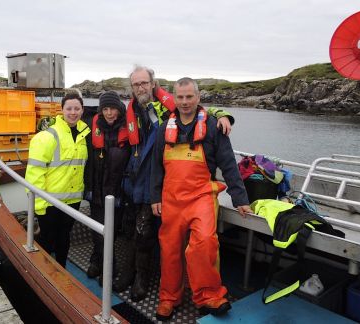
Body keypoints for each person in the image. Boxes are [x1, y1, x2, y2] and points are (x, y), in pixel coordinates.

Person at [114, 65, 235, 301]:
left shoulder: (165, 108)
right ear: (132, 87)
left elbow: (195, 108)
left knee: (165, 238)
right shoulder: (129, 110)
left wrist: (222, 114)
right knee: (135, 232)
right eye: (136, 84)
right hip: (140, 182)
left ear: (153, 84)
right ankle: (137, 279)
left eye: (144, 83)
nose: (140, 87)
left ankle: (151, 283)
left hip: (171, 187)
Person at [150, 77, 253, 321]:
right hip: (171, 198)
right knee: (170, 249)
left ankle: (209, 296)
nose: (185, 102)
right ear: (174, 98)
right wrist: (155, 196)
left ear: (198, 97)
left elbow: (228, 163)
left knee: (205, 244)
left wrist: (240, 198)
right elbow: (155, 166)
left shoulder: (214, 126)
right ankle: (169, 297)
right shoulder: (165, 128)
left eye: (189, 97)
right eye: (180, 97)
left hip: (202, 197)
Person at [25, 90, 91, 268]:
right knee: (48, 241)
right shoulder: (47, 137)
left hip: (73, 201)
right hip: (50, 203)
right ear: (61, 110)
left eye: (77, 108)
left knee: (64, 238)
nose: (73, 112)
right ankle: (45, 274)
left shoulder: (85, 135)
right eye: (69, 108)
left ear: (82, 110)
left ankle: (61, 270)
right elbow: (34, 173)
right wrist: (38, 205)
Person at [85, 91, 131, 282]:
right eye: (105, 109)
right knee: (97, 229)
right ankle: (100, 262)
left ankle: (107, 266)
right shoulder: (92, 129)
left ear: (120, 109)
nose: (110, 113)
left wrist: (221, 116)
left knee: (110, 231)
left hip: (118, 191)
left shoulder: (129, 129)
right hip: (97, 189)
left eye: (113, 108)